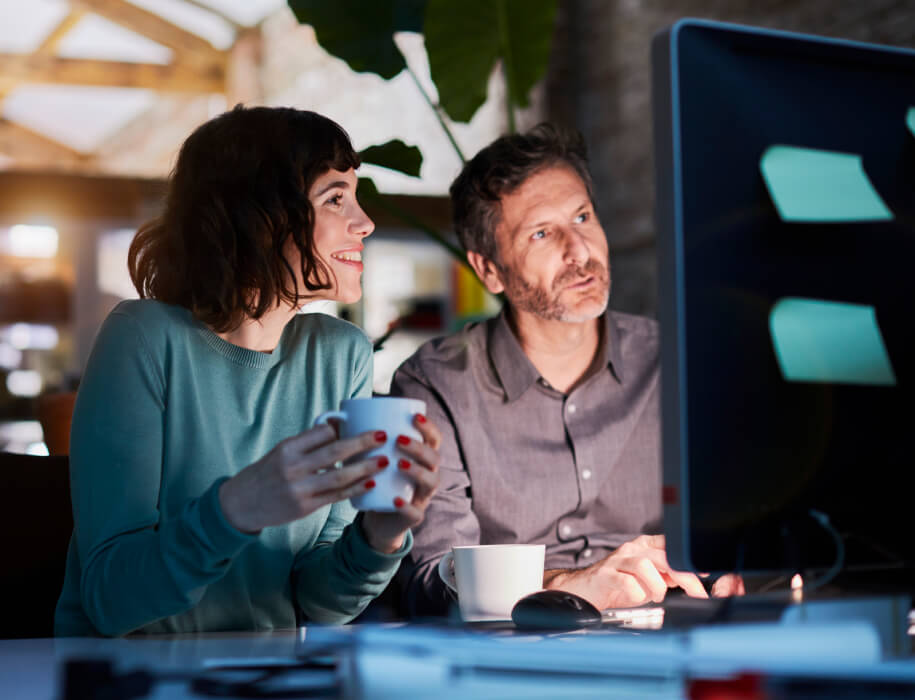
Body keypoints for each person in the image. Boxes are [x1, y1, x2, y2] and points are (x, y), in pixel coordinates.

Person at [54, 106, 441, 637]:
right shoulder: (144, 337)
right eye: (335, 198)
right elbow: (110, 599)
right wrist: (236, 507)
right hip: (129, 678)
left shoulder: (341, 354)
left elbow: (322, 603)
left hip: (264, 676)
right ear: (261, 218)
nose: (365, 222)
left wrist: (381, 536)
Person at [391, 124, 741, 617]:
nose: (580, 251)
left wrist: (739, 567)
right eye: (541, 233)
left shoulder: (678, 360)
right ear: (488, 269)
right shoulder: (434, 386)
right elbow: (430, 579)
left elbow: (743, 525)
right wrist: (575, 585)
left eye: (582, 217)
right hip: (514, 656)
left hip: (677, 638)